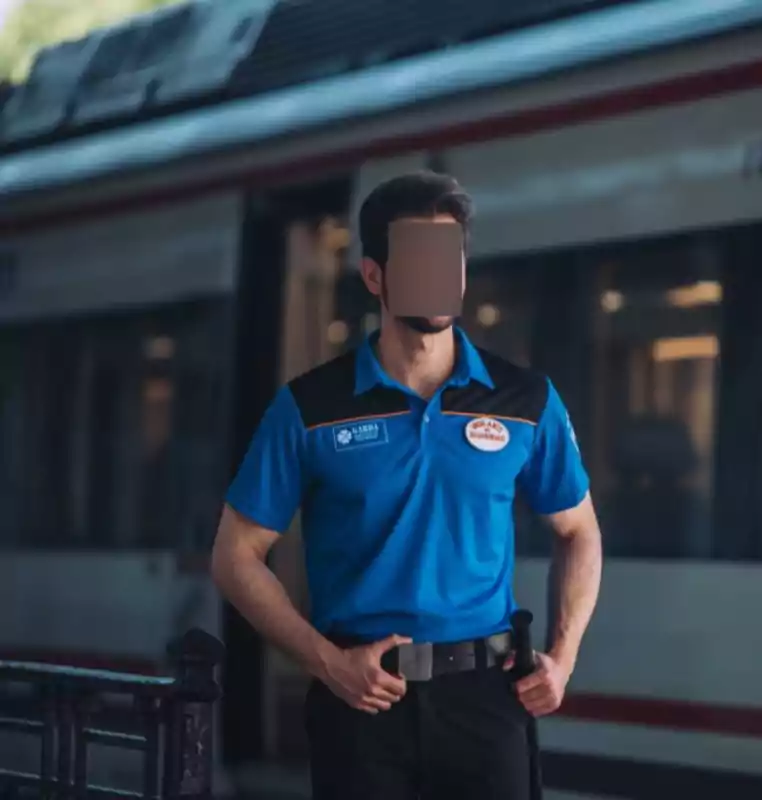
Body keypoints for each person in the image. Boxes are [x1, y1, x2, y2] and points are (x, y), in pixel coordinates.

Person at [210, 171, 603, 799]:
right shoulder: (310, 407)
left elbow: (578, 530)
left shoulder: (526, 400)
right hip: (360, 704)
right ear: (374, 276)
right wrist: (327, 664)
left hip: (486, 697)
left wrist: (565, 655)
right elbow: (234, 557)